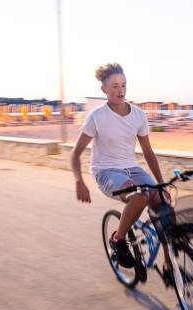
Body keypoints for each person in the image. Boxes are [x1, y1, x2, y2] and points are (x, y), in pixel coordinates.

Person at [70, 63, 172, 274]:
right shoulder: (96, 117)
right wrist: (79, 181)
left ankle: (169, 264)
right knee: (139, 196)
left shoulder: (139, 115)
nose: (121, 90)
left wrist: (161, 184)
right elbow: (76, 153)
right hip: (106, 172)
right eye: (115, 86)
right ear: (104, 90)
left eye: (124, 85)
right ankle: (118, 239)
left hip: (132, 168)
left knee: (162, 200)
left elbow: (148, 152)